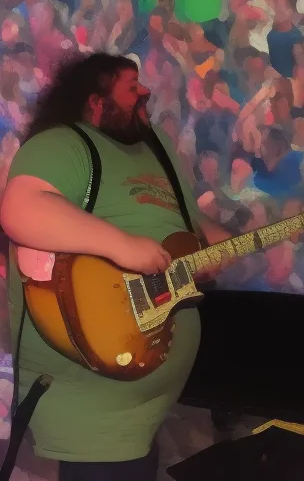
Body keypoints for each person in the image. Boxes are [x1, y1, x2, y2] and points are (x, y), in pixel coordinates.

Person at [0, 53, 229, 480]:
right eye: (130, 86)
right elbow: (21, 209)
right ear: (95, 102)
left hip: (149, 403)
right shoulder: (62, 143)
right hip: (88, 409)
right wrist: (123, 246)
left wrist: (218, 245)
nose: (145, 91)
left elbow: (186, 223)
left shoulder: (157, 144)